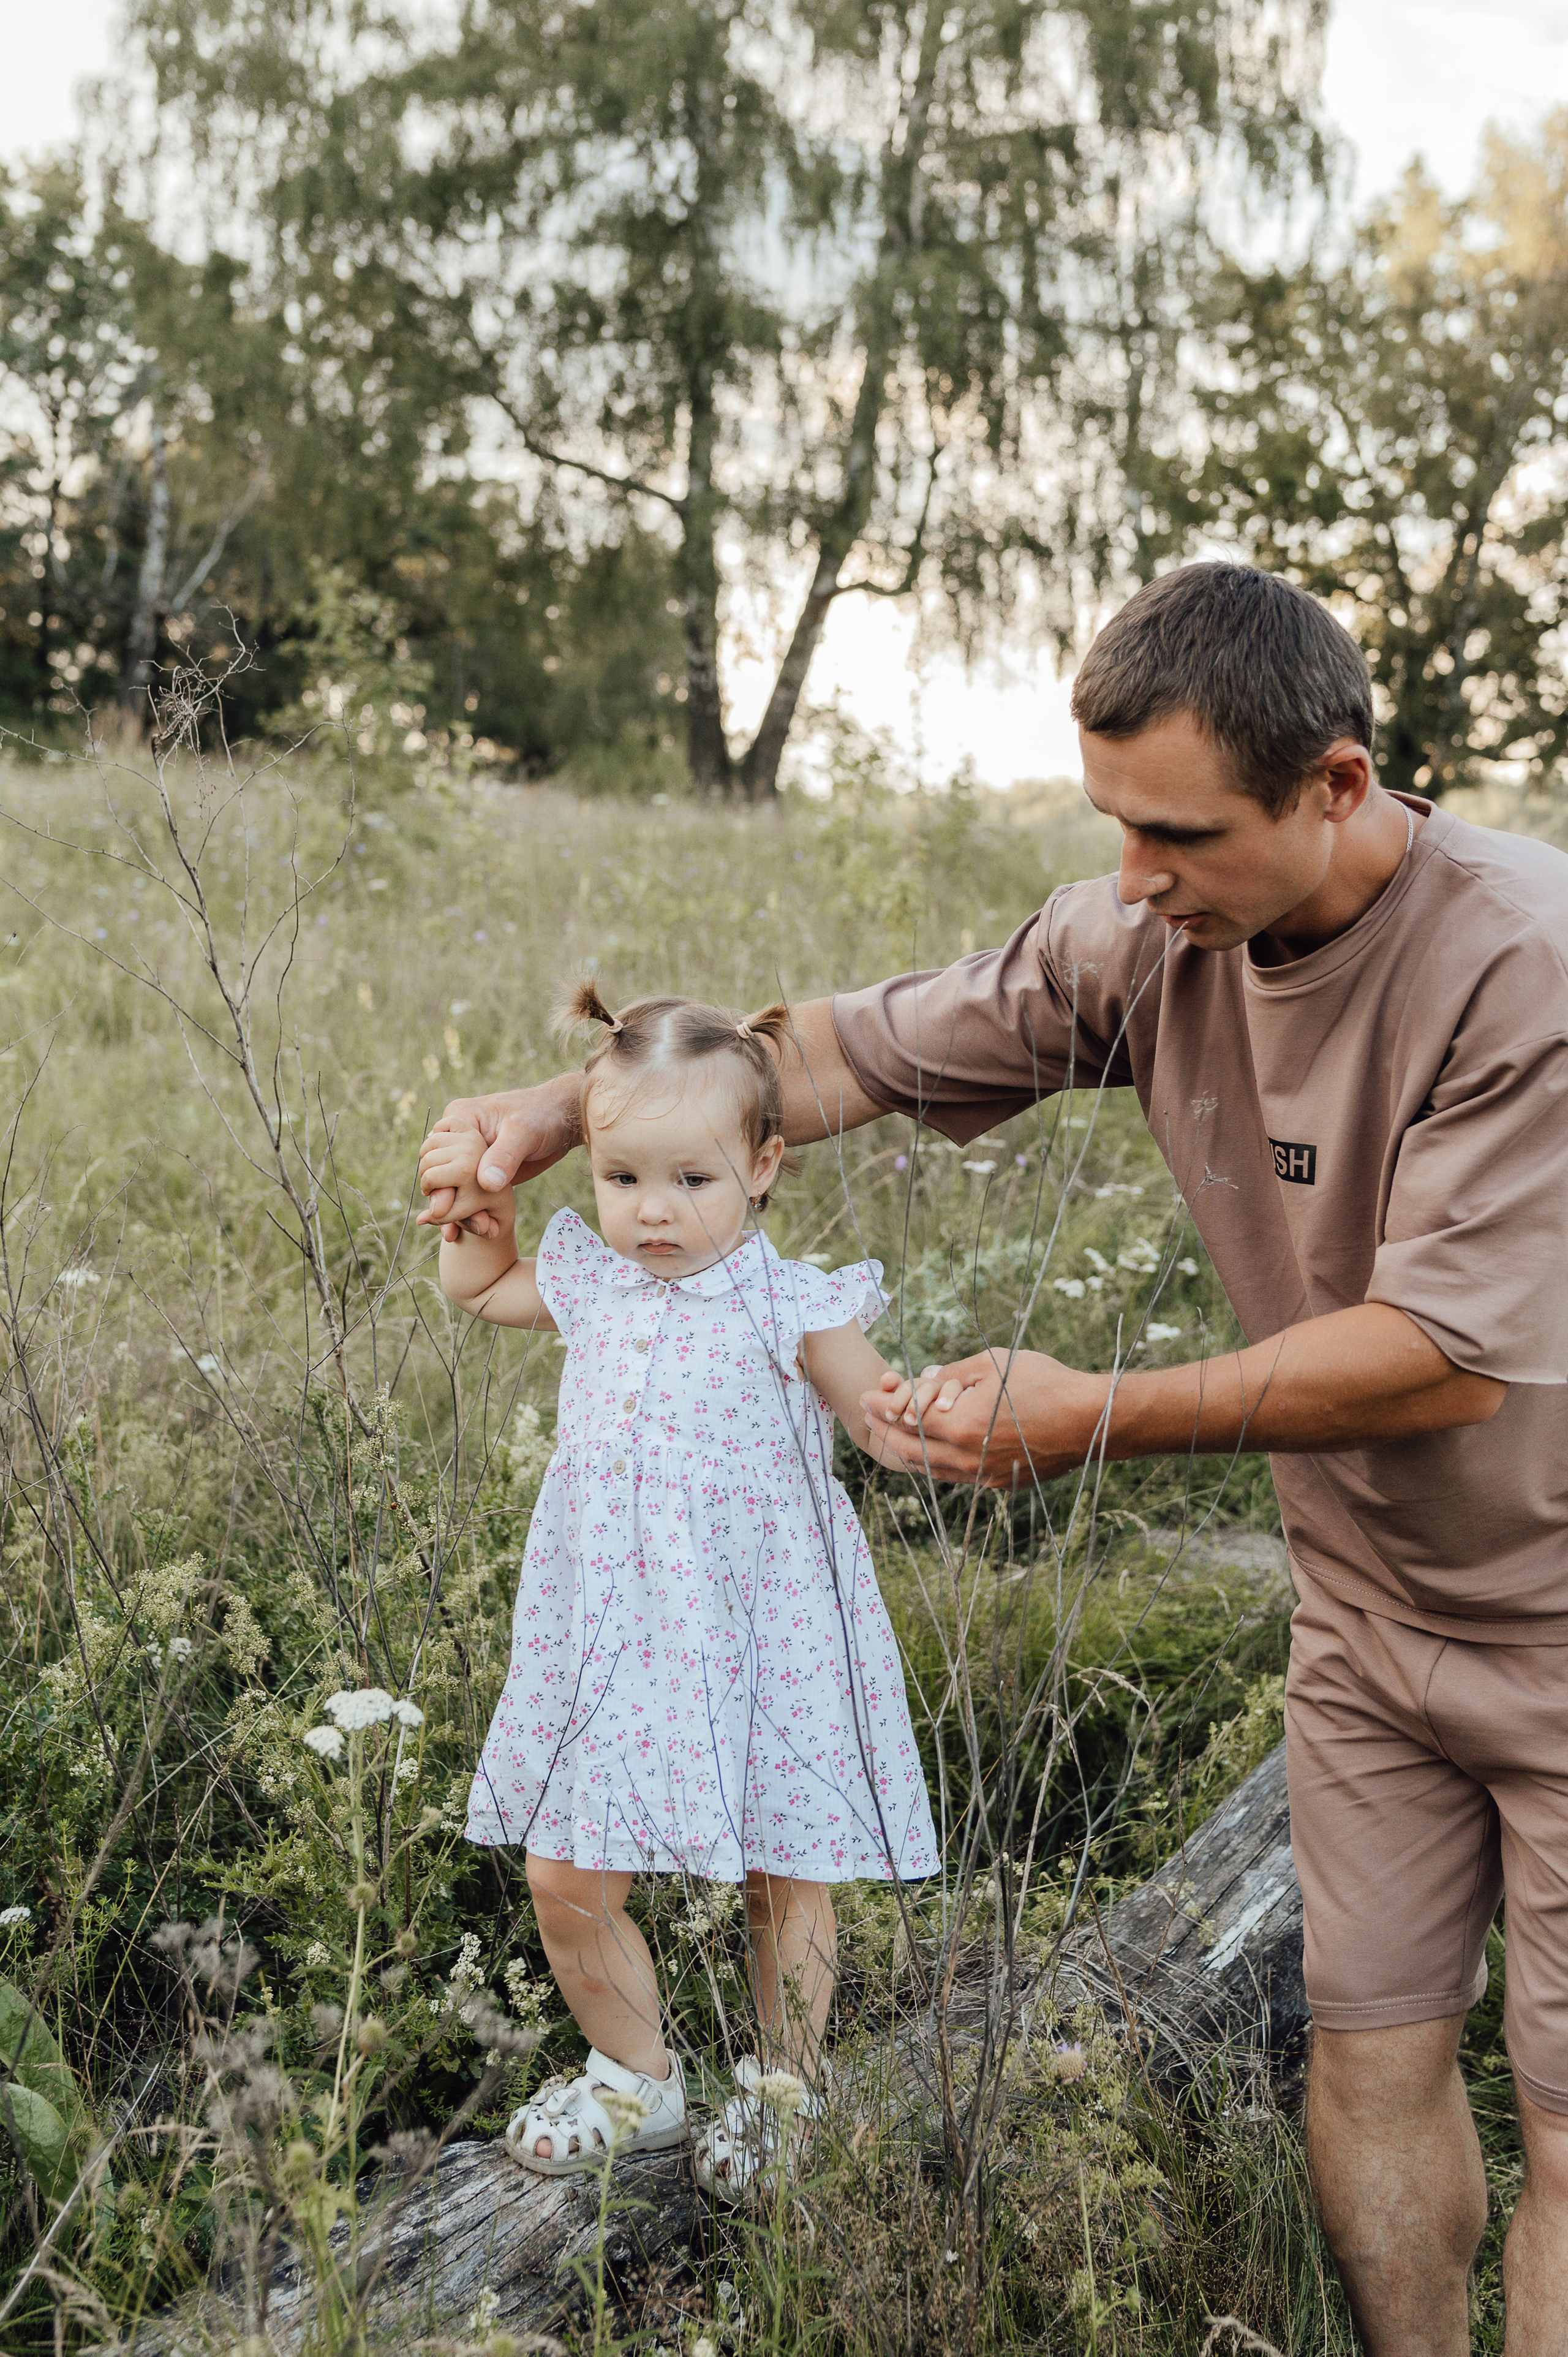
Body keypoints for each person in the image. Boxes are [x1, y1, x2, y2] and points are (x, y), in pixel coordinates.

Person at [421, 564, 1568, 2354]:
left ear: (1337, 787)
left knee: (1564, 2117)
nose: (1130, 880)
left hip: (1562, 1615)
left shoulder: (1520, 962)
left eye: (1175, 834)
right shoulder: (1148, 935)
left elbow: (1438, 1363)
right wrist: (560, 1114)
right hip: (1366, 1629)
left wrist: (1091, 1411)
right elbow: (826, 1058)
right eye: (1111, 824)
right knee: (1375, 2052)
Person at [428, 982, 938, 2198]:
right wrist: (474, 1212)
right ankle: (633, 2073)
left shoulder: (785, 1299)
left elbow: (878, 1417)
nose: (652, 1212)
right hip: (607, 1630)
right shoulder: (594, 1284)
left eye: (692, 1181)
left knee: (785, 1869)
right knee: (564, 1871)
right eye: (621, 1180)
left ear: (763, 1166)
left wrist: (928, 1415)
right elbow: (482, 1291)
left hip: (762, 1627)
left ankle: (781, 2092)